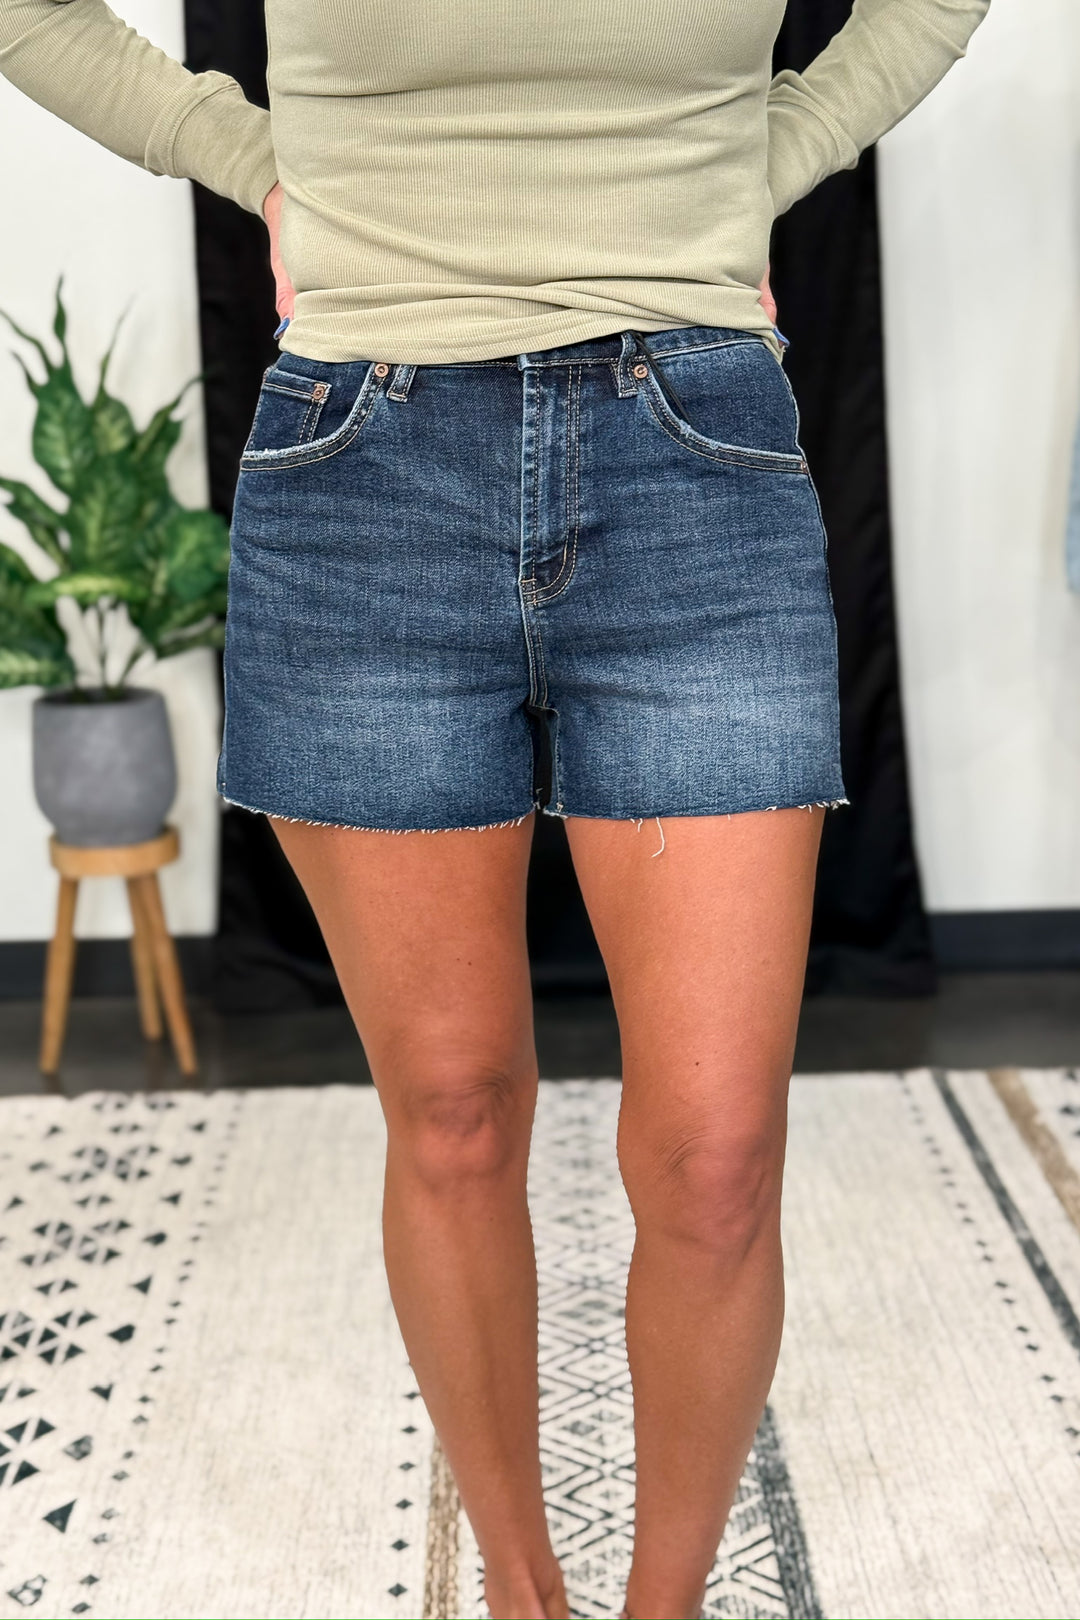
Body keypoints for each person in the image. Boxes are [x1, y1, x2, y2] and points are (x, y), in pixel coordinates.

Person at [0, 3, 989, 1615]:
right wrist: (242, 158)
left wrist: (775, 153)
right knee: (454, 1115)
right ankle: (522, 1594)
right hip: (366, 463)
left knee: (718, 1158)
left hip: (697, 459)